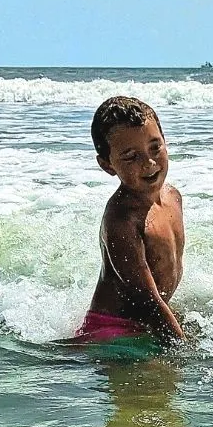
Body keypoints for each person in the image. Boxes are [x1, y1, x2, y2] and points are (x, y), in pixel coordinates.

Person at [74, 96, 185, 344]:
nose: (148, 163)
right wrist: (182, 347)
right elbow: (144, 299)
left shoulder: (173, 197)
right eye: (130, 156)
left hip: (148, 319)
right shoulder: (121, 220)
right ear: (107, 165)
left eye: (155, 147)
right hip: (115, 331)